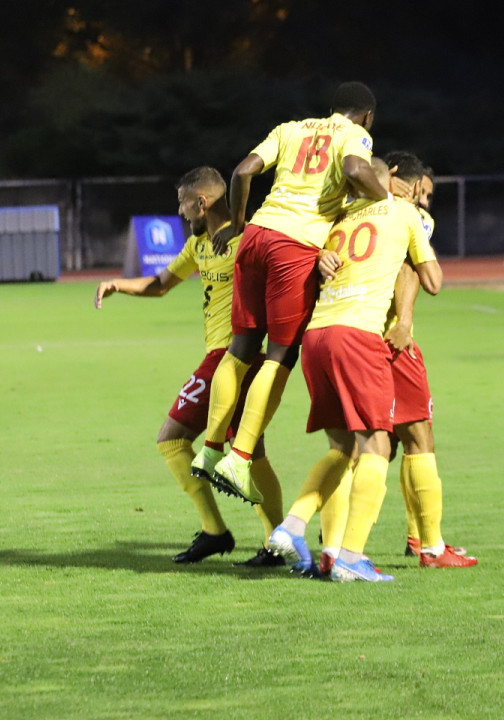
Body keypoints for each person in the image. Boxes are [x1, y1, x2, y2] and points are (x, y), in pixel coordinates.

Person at [190, 82, 396, 505]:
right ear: (367, 117)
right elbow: (357, 171)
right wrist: (387, 202)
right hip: (296, 245)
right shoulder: (354, 135)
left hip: (257, 235)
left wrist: (243, 222)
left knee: (241, 349)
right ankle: (240, 456)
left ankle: (210, 451)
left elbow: (243, 172)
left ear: (331, 106)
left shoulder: (289, 128)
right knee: (280, 354)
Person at [94, 167, 285, 567]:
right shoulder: (199, 244)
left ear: (202, 201)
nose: (179, 212)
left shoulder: (249, 238)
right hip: (227, 358)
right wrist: (119, 284)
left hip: (233, 357)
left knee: (172, 439)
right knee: (249, 453)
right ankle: (274, 542)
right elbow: (161, 283)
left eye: (183, 202)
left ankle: (220, 532)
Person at [267, 154, 442, 583]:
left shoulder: (337, 218)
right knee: (378, 446)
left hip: (316, 336)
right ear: (393, 181)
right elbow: (430, 280)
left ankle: (293, 525)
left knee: (341, 448)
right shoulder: (406, 214)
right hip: (360, 336)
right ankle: (351, 555)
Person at [317, 155, 476, 573]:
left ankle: (333, 545)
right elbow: (415, 268)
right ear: (416, 183)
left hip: (335, 333)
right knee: (417, 437)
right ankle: (429, 545)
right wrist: (404, 320)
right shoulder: (408, 212)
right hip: (385, 338)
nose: (427, 200)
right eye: (426, 192)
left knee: (351, 448)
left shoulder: (344, 211)